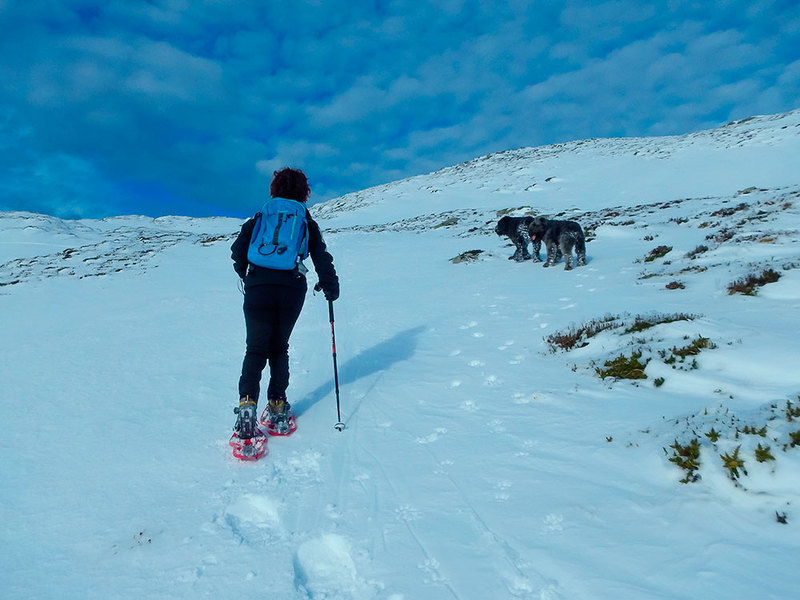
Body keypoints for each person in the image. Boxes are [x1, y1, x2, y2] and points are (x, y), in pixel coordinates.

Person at [230, 167, 339, 438]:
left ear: (274, 189)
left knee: (255, 349)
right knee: (279, 347)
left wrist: (248, 273)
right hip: (292, 286)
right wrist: (330, 285)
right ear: (304, 191)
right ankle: (277, 406)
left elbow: (237, 250)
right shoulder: (304, 219)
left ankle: (247, 405)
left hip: (258, 286)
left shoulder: (261, 217)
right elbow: (320, 255)